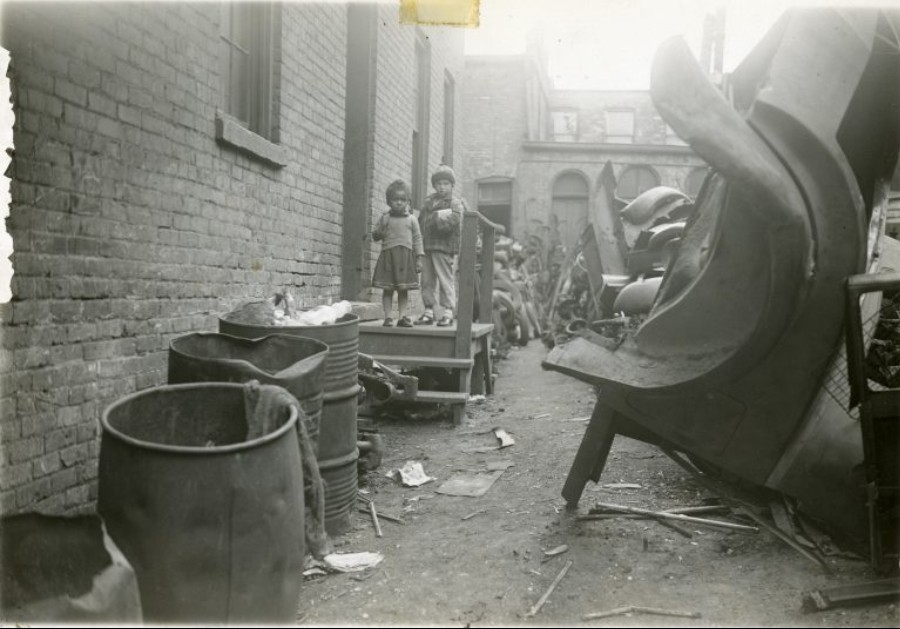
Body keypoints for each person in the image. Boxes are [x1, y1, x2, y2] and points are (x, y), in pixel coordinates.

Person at [415, 164, 468, 327]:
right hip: (427, 246)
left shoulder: (455, 203)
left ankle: (448, 312)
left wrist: (435, 220)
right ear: (434, 185)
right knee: (426, 280)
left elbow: (452, 223)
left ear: (452, 185)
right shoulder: (428, 202)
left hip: (444, 247)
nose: (442, 187)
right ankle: (429, 311)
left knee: (446, 280)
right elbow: (421, 223)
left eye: (446, 183)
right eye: (439, 183)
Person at [372, 179, 424, 327]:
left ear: (408, 201)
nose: (399, 203)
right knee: (387, 289)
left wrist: (419, 258)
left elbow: (417, 239)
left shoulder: (412, 219)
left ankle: (402, 317)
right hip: (388, 258)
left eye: (403, 200)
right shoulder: (385, 218)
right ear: (389, 201)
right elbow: (376, 236)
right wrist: (379, 231)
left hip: (405, 259)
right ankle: (388, 317)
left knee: (403, 289)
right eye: (395, 200)